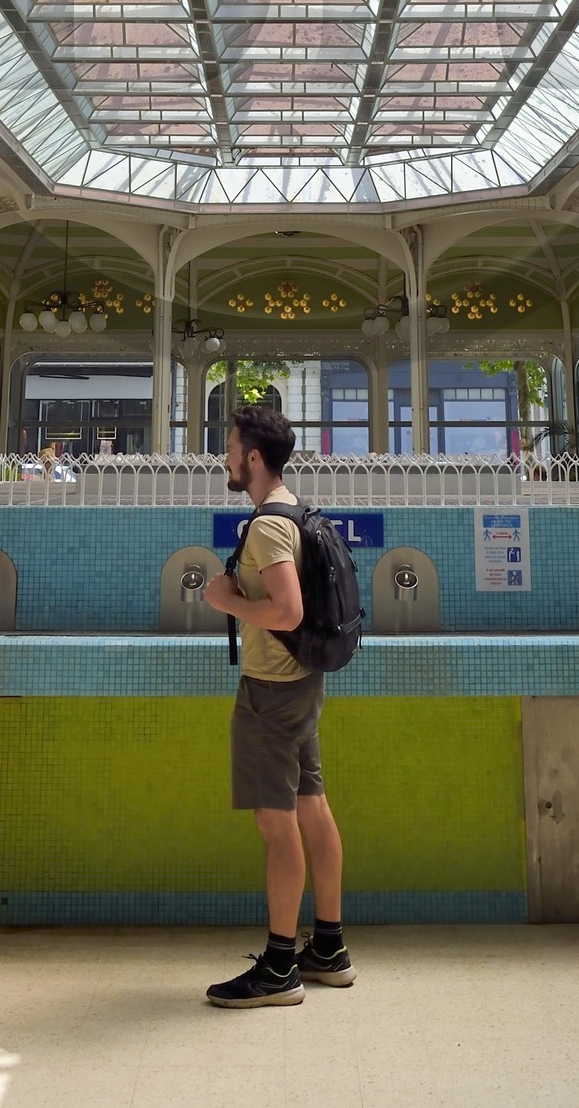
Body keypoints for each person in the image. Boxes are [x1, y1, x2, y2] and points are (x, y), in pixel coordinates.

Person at [202, 404, 351, 1007]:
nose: (227, 458)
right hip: (302, 683)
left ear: (253, 458)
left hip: (272, 691)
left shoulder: (267, 526)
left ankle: (280, 965)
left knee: (276, 821)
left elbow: (287, 612)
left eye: (232, 448)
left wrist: (224, 601)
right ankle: (330, 947)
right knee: (312, 806)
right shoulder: (294, 509)